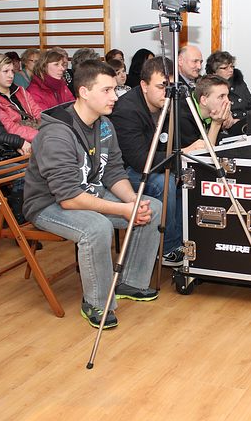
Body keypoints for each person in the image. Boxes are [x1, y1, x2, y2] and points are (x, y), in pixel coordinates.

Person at [23, 60, 162, 329]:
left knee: (151, 207)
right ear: (84, 92)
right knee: (97, 227)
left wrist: (132, 201)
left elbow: (114, 171)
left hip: (88, 192)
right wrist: (123, 210)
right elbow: (68, 198)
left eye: (115, 90)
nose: (115, 97)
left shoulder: (104, 124)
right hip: (48, 204)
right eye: (107, 90)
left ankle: (130, 283)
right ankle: (97, 302)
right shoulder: (57, 134)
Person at [111, 57, 208, 268]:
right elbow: (140, 161)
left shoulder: (170, 102)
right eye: (161, 86)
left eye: (170, 86)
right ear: (144, 85)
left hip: (153, 163)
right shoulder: (127, 111)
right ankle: (168, 247)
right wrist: (181, 155)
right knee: (164, 182)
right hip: (123, 173)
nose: (167, 92)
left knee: (187, 177)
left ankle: (185, 238)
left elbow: (179, 142)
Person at [0, 53, 43, 143]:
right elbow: (10, 128)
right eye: (6, 71)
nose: (11, 75)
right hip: (19, 140)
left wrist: (48, 128)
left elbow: (37, 112)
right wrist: (41, 135)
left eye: (12, 71)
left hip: (35, 133)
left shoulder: (21, 91)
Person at [205, 50, 251, 137]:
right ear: (214, 72)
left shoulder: (238, 82)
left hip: (245, 120)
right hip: (226, 128)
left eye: (232, 66)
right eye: (225, 68)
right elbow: (211, 114)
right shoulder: (209, 87)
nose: (231, 70)